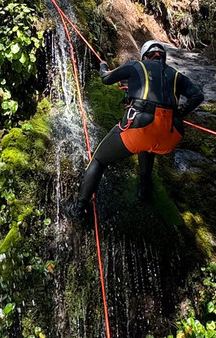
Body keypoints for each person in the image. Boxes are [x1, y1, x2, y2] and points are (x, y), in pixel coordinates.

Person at [68, 40, 204, 220]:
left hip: (139, 126)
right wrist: (179, 113)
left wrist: (103, 66)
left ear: (145, 56)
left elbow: (106, 78)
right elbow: (197, 96)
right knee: (147, 146)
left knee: (99, 160)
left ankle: (80, 209)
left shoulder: (136, 66)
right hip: (171, 134)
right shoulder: (176, 75)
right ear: (163, 58)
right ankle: (144, 191)